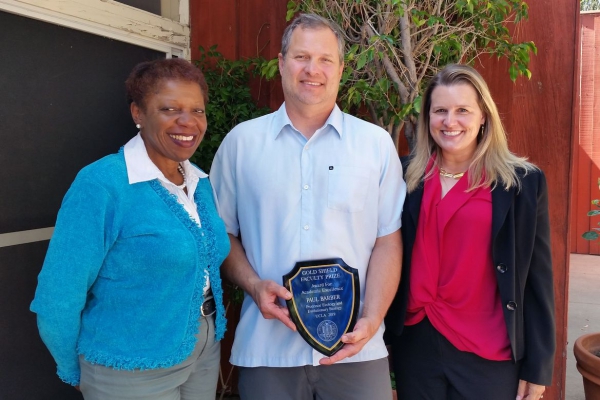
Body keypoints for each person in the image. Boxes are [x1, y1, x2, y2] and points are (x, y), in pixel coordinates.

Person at [210, 13, 406, 400]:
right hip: (267, 350)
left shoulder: (375, 144)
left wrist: (372, 319)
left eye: (324, 59)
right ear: (282, 63)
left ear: (340, 68)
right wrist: (252, 285)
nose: (312, 69)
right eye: (301, 57)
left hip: (356, 350)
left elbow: (388, 240)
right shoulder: (242, 143)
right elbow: (222, 234)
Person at [30, 58, 230, 400]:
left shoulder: (198, 180)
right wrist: (72, 367)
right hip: (131, 366)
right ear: (138, 113)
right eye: (170, 108)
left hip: (204, 354)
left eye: (197, 110)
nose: (188, 122)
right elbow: (58, 295)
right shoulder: (102, 184)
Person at [385, 64, 555, 400]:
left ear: (483, 117)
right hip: (417, 344)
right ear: (427, 118)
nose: (450, 122)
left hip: (490, 350)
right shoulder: (403, 176)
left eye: (463, 110)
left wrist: (539, 366)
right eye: (440, 111)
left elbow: (537, 279)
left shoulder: (521, 182)